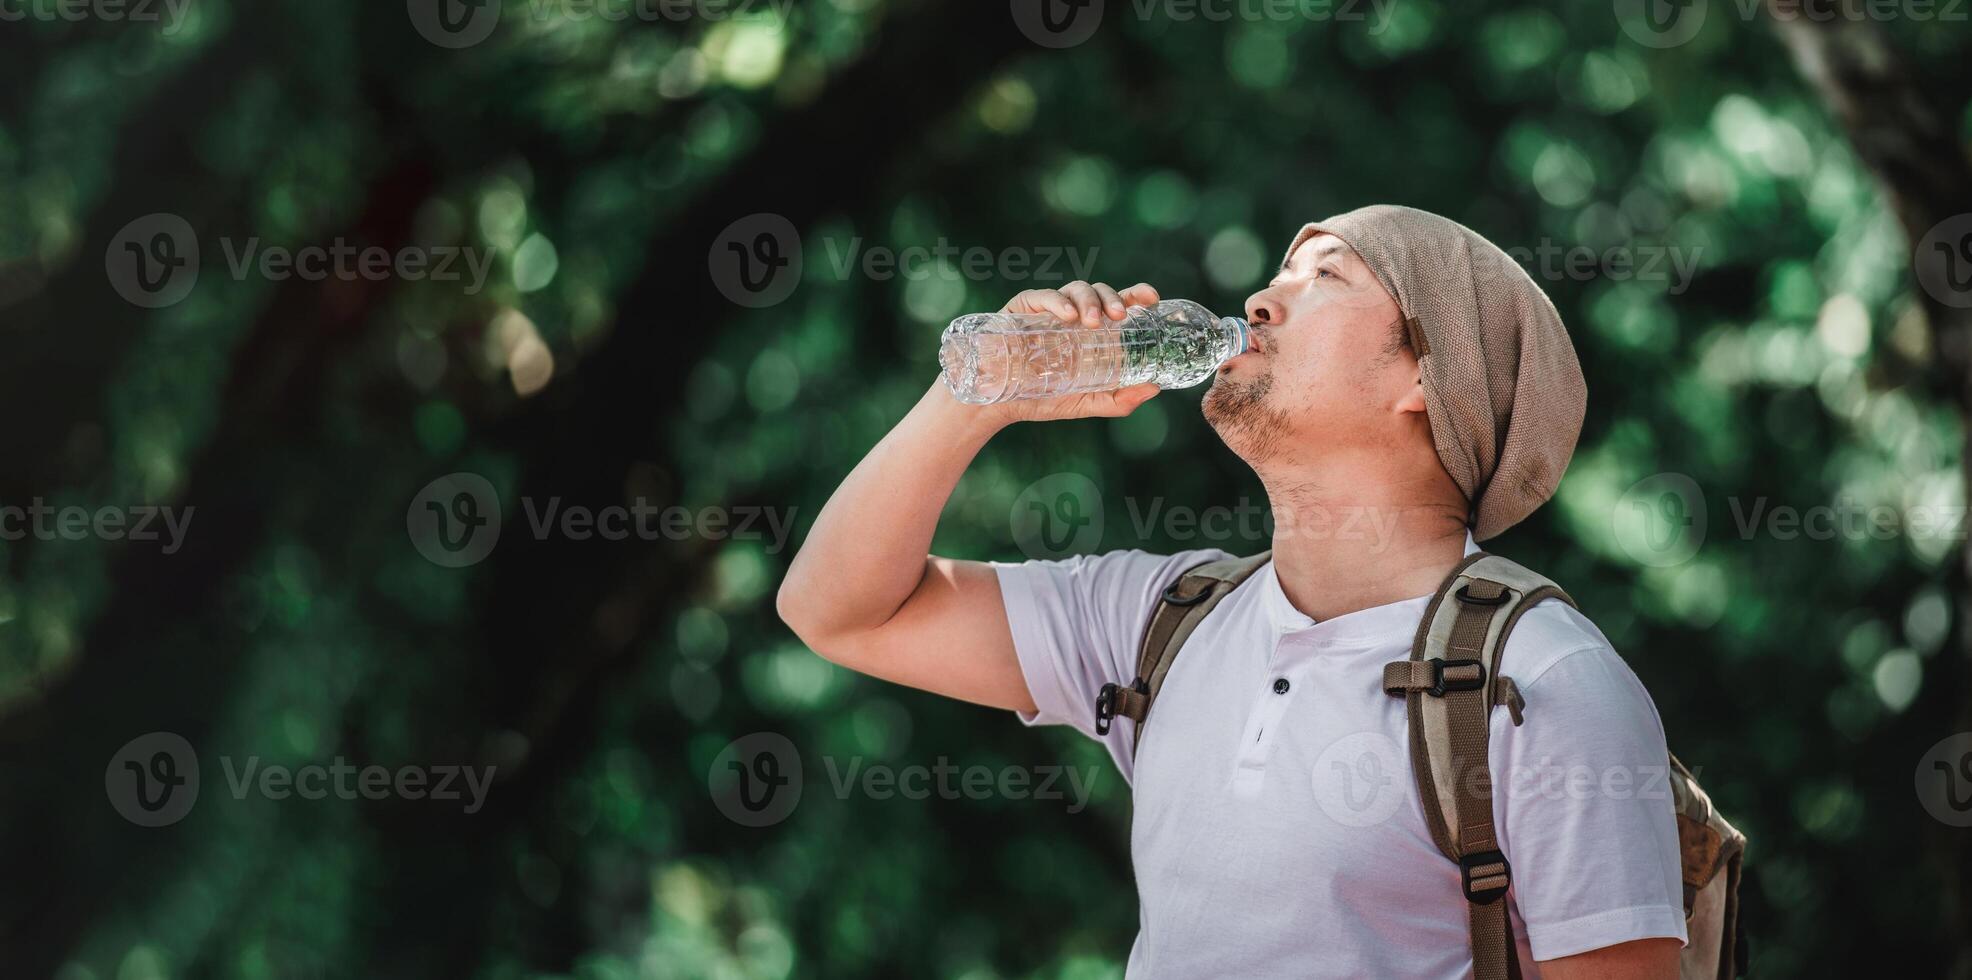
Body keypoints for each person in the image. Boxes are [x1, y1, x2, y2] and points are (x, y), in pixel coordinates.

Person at [776, 205, 1687, 979]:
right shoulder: (1161, 620)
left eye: (1326, 278)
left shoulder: (1543, 684)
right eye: (1281, 272)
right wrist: (983, 394)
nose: (1259, 299)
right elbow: (838, 610)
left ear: (1425, 376)